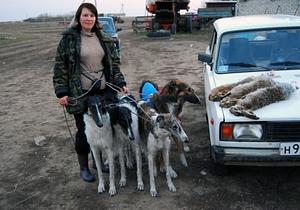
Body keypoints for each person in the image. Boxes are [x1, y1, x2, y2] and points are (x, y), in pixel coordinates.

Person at [53, 3, 128, 182]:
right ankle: (84, 168)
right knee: (84, 132)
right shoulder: (69, 39)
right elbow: (60, 66)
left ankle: (99, 163)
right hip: (80, 94)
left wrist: (120, 82)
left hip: (104, 92)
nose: (89, 19)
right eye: (85, 15)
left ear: (96, 18)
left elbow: (114, 65)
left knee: (103, 129)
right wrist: (62, 92)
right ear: (79, 17)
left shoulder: (105, 38)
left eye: (92, 15)